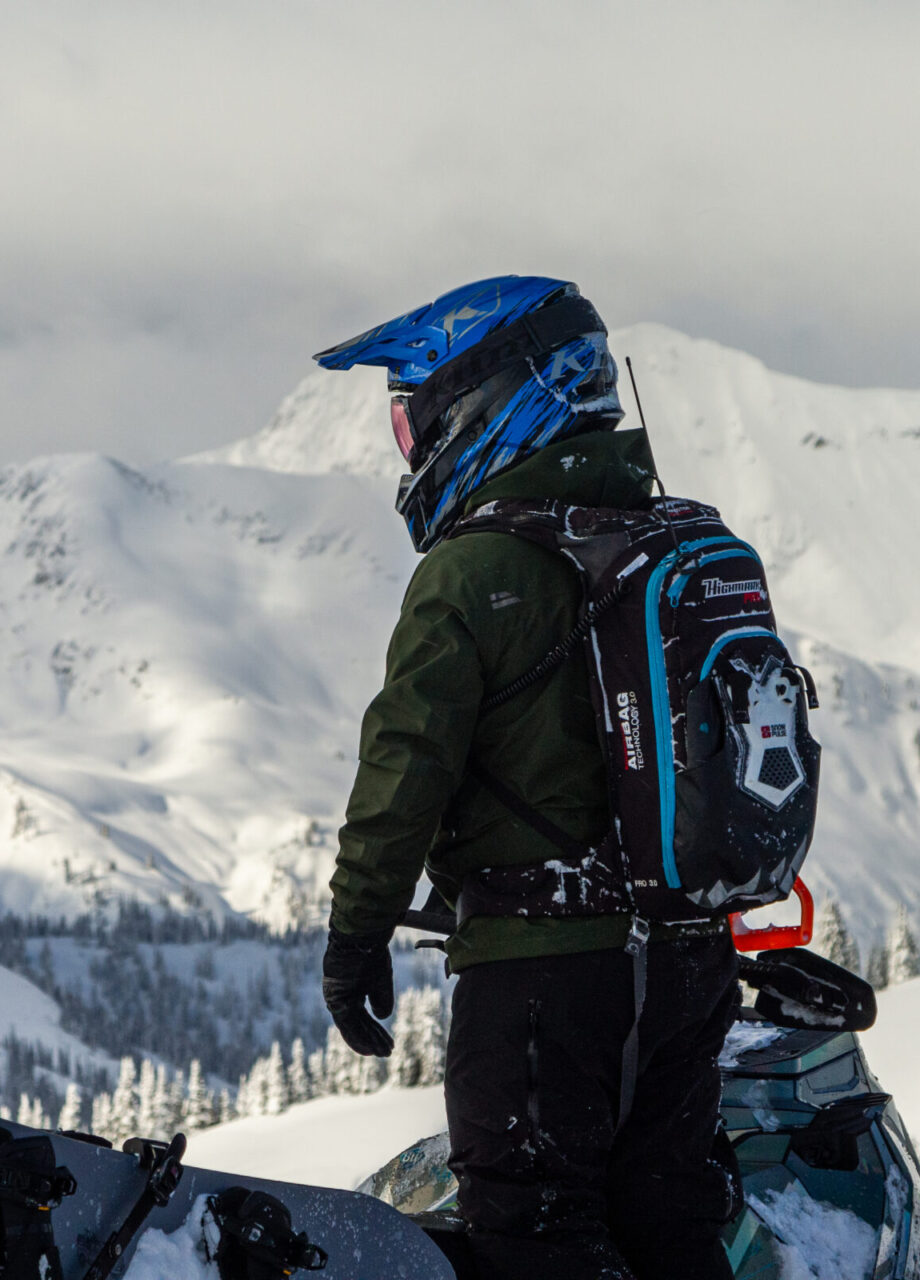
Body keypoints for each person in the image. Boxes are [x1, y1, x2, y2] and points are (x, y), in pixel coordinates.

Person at [313, 279, 739, 1280]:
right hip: (688, 962)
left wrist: (356, 932)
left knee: (535, 1235)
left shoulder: (475, 570)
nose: (413, 452)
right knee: (670, 1224)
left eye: (419, 424)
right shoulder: (671, 540)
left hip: (541, 970)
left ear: (490, 401)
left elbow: (405, 764)